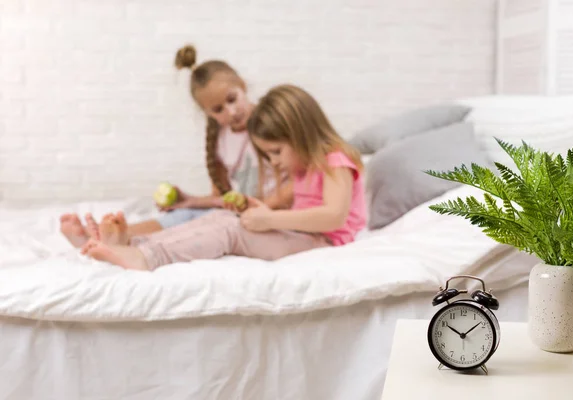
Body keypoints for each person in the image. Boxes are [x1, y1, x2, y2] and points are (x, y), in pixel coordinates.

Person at [81, 84, 367, 270]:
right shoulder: (306, 168)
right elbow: (277, 201)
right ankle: (134, 245)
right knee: (221, 219)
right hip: (302, 234)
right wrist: (251, 206)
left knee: (231, 232)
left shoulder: (335, 161)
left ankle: (147, 259)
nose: (275, 162)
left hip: (322, 244)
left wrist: (271, 220)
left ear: (301, 135)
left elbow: (334, 216)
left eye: (277, 151)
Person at [59, 45, 291, 248]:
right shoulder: (220, 140)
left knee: (205, 225)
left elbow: (301, 180)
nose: (230, 112)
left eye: (232, 99)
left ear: (242, 85)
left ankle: (118, 241)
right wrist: (189, 200)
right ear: (206, 112)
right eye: (217, 109)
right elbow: (221, 198)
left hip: (270, 212)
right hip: (240, 212)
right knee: (185, 215)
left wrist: (263, 208)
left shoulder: (270, 123)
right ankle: (110, 236)